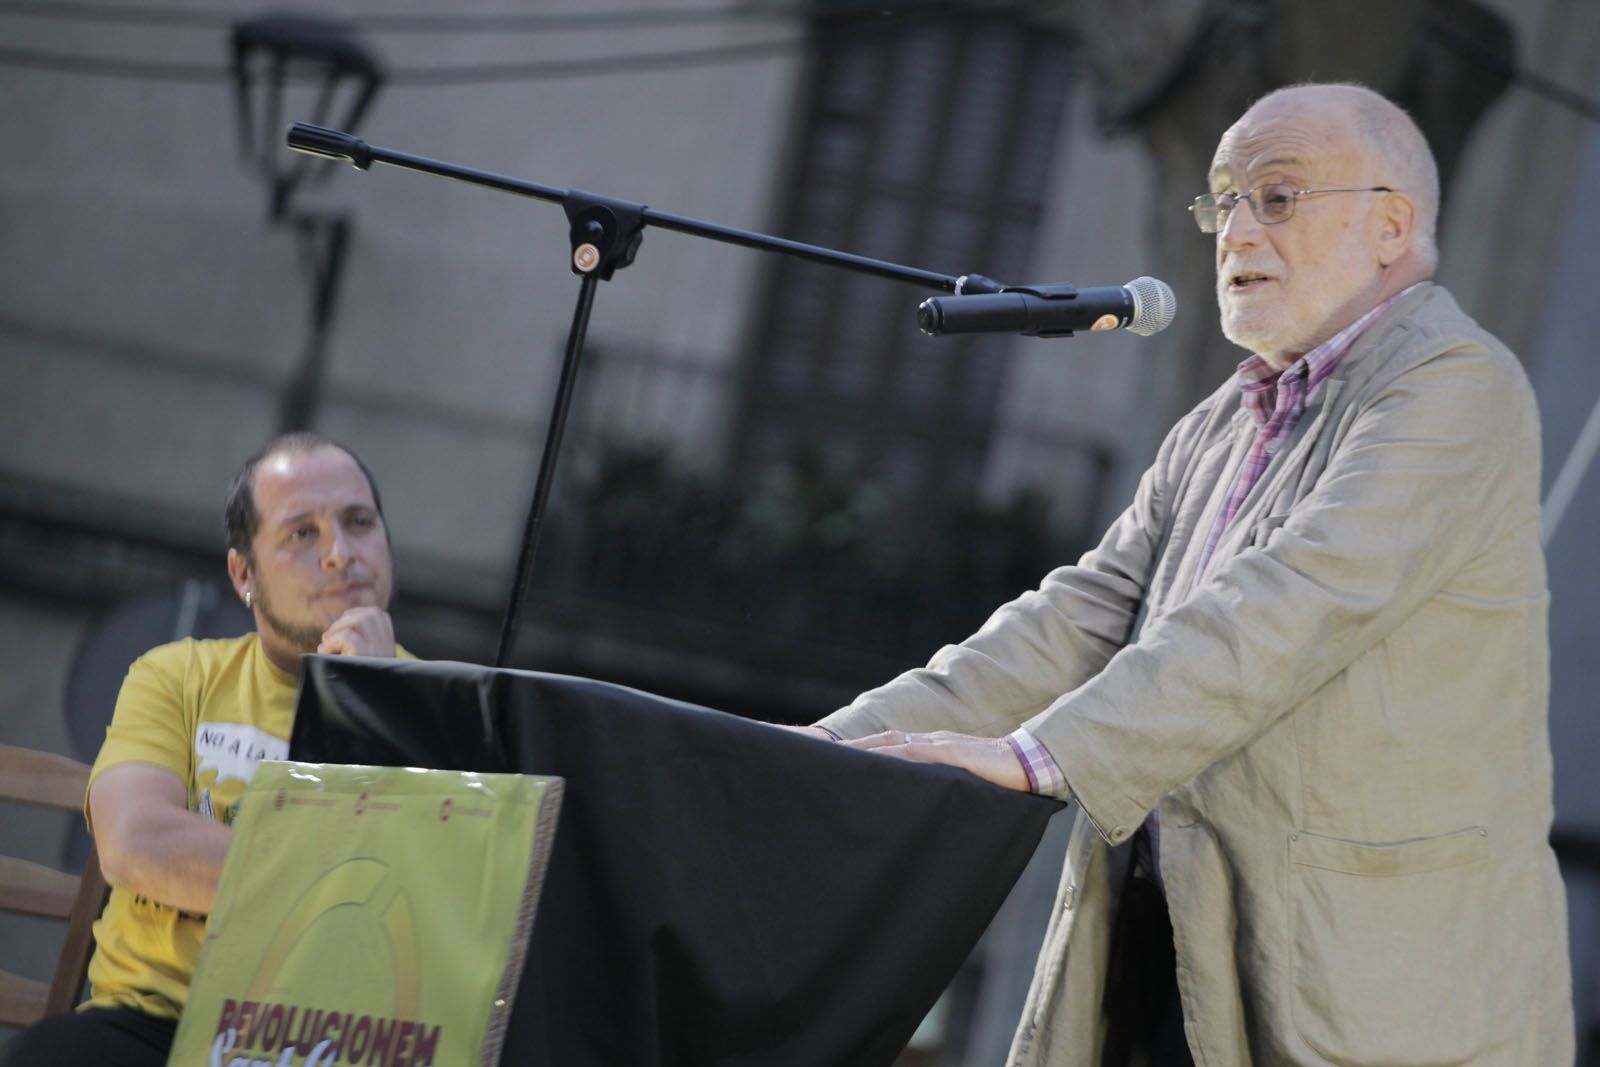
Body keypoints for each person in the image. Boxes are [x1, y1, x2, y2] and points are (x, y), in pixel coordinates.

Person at [800, 83, 1574, 1065]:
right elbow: (1078, 616)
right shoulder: (1218, 421)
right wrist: (828, 747)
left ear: (1390, 225)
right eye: (1223, 200)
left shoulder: (1456, 382)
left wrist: (1040, 753)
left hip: (1373, 983)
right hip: (1165, 934)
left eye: (1277, 196)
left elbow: (1290, 601)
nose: (1236, 228)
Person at [0, 433, 409, 1067]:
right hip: (150, 1027)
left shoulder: (448, 708)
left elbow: (423, 914)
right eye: (302, 533)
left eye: (359, 523)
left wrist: (376, 707)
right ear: (244, 573)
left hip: (324, 1047)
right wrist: (339, 877)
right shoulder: (176, 676)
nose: (340, 554)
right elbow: (138, 847)